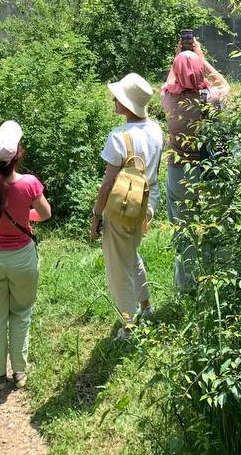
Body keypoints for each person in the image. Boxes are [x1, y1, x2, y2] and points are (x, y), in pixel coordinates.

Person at [0, 121, 51, 392]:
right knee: (21, 314)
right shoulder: (29, 184)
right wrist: (24, 215)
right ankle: (20, 372)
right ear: (17, 156)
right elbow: (45, 214)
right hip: (21, 259)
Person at [91, 73, 162, 338]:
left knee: (118, 267)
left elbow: (108, 184)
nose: (113, 98)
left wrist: (96, 215)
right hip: (147, 203)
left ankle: (128, 326)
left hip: (122, 207)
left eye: (118, 96)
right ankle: (146, 307)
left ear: (128, 104)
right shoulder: (156, 129)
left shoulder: (119, 136)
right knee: (130, 254)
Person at [161, 42, 230, 291]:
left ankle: (187, 286)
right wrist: (203, 59)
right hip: (210, 171)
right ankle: (218, 282)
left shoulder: (169, 100)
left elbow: (170, 81)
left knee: (183, 230)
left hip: (180, 172)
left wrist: (179, 58)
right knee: (215, 225)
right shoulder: (213, 98)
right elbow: (224, 83)